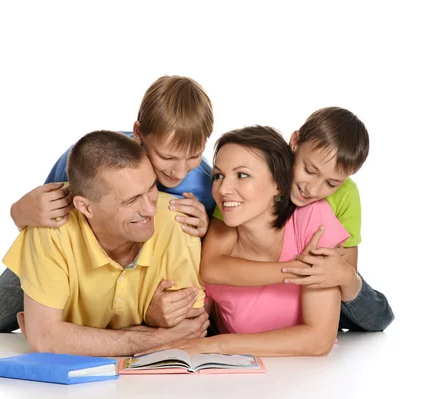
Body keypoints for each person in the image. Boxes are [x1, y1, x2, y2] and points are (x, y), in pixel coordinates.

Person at [0, 75, 215, 332]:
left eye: (194, 155)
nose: (180, 171)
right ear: (138, 134)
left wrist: (207, 227)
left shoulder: (202, 185)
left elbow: (208, 253)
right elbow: (44, 229)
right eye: (167, 157)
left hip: (144, 269)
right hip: (77, 261)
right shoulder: (86, 161)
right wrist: (18, 213)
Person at [143, 126, 349, 357]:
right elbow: (189, 326)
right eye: (218, 176)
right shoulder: (213, 249)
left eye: (242, 175)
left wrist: (219, 345)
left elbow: (319, 340)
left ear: (279, 184)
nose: (223, 189)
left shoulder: (312, 219)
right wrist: (152, 315)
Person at [3, 130, 210, 357]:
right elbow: (44, 340)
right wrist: (155, 336)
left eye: (152, 188)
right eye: (131, 200)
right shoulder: (50, 226)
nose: (151, 210)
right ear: (86, 207)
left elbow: (191, 327)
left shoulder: (179, 219)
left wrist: (70, 337)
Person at [200, 107, 394, 332]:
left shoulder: (346, 195)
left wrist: (344, 274)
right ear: (294, 142)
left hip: (323, 285)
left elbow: (340, 272)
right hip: (285, 281)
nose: (312, 189)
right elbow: (215, 261)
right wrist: (297, 269)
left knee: (372, 311)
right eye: (309, 170)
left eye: (331, 183)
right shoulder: (264, 174)